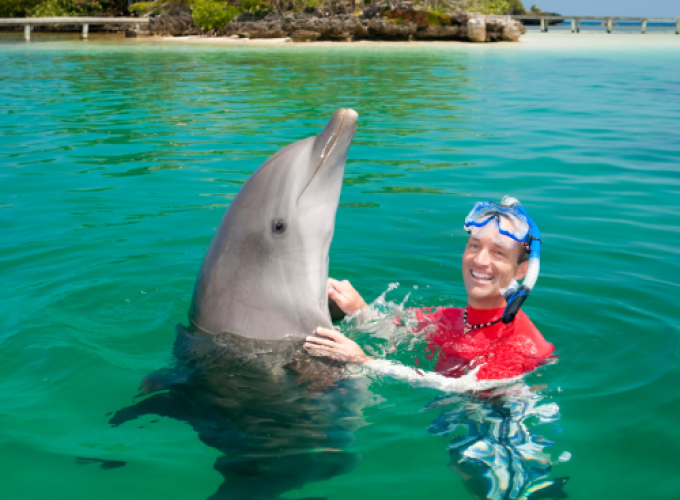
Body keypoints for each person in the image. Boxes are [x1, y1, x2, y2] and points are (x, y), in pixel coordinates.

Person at [304, 196, 555, 381]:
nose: (480, 261)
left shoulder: (523, 342)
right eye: (474, 246)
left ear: (522, 271)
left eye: (498, 253)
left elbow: (467, 390)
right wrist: (358, 309)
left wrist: (365, 362)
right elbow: (396, 328)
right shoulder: (451, 318)